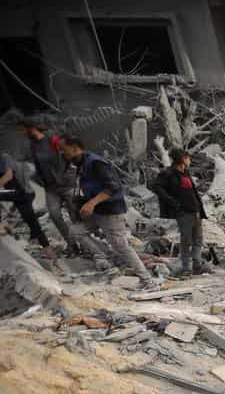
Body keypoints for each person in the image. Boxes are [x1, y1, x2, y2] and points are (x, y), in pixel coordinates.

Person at [61, 137, 155, 285]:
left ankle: (147, 279)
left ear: (74, 148)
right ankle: (107, 256)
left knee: (121, 245)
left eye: (64, 149)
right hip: (98, 211)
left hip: (110, 210)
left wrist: (92, 202)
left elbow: (113, 187)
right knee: (76, 231)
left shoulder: (96, 163)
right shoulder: (82, 164)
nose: (62, 153)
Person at [153, 148, 210, 276]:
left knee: (198, 240)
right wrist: (173, 203)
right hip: (183, 213)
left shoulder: (186, 173)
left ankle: (197, 264)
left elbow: (193, 193)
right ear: (183, 159)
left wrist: (200, 210)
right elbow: (157, 187)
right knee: (186, 241)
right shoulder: (168, 173)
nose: (189, 160)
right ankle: (186, 268)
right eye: (188, 158)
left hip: (195, 211)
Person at [21, 120, 73, 251]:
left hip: (66, 184)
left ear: (32, 129)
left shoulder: (52, 139)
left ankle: (89, 241)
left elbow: (68, 154)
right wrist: (41, 181)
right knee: (55, 215)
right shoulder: (33, 145)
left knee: (75, 214)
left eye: (24, 130)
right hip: (50, 188)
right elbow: (37, 166)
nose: (22, 133)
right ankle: (72, 244)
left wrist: (66, 174)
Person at [0, 150, 50, 250]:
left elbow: (8, 176)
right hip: (21, 194)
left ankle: (2, 225)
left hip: (22, 193)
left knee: (32, 222)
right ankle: (49, 251)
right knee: (33, 224)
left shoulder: (5, 158)